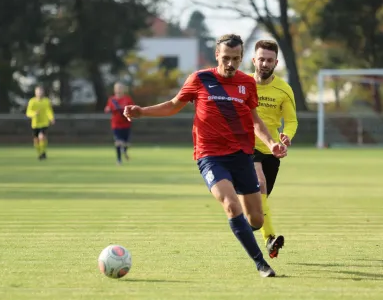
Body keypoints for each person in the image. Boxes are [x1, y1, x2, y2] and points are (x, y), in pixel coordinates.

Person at [124, 34, 287, 277]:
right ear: (216, 56)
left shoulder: (247, 83)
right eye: (226, 58)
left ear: (242, 58)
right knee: (231, 206)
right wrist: (142, 111)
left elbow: (255, 121)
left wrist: (272, 143)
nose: (231, 64)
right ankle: (261, 264)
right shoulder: (200, 79)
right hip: (210, 156)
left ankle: (242, 229)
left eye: (236, 59)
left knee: (256, 220)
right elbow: (173, 104)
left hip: (242, 155)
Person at [250, 40, 298, 259]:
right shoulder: (244, 84)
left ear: (276, 63)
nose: (264, 63)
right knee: (260, 185)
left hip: (272, 150)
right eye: (261, 59)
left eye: (269, 60)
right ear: (253, 60)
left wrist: (287, 135)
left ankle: (256, 229)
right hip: (245, 148)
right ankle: (270, 238)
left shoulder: (284, 89)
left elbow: (291, 121)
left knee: (261, 200)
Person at [105, 82, 135, 165]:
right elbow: (107, 108)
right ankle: (119, 160)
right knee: (118, 142)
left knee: (126, 143)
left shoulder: (127, 99)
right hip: (116, 124)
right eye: (117, 88)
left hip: (126, 124)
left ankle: (124, 151)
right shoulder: (112, 100)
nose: (118, 90)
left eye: (120, 88)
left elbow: (133, 109)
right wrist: (108, 109)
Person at [25, 85, 55, 160]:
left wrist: (51, 118)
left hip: (44, 123)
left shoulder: (46, 101)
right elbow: (28, 112)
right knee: (36, 140)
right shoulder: (32, 101)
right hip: (35, 124)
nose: (39, 93)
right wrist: (34, 113)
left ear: (43, 92)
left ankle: (43, 152)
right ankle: (40, 153)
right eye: (38, 92)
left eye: (40, 91)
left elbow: (49, 111)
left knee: (41, 137)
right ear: (35, 92)